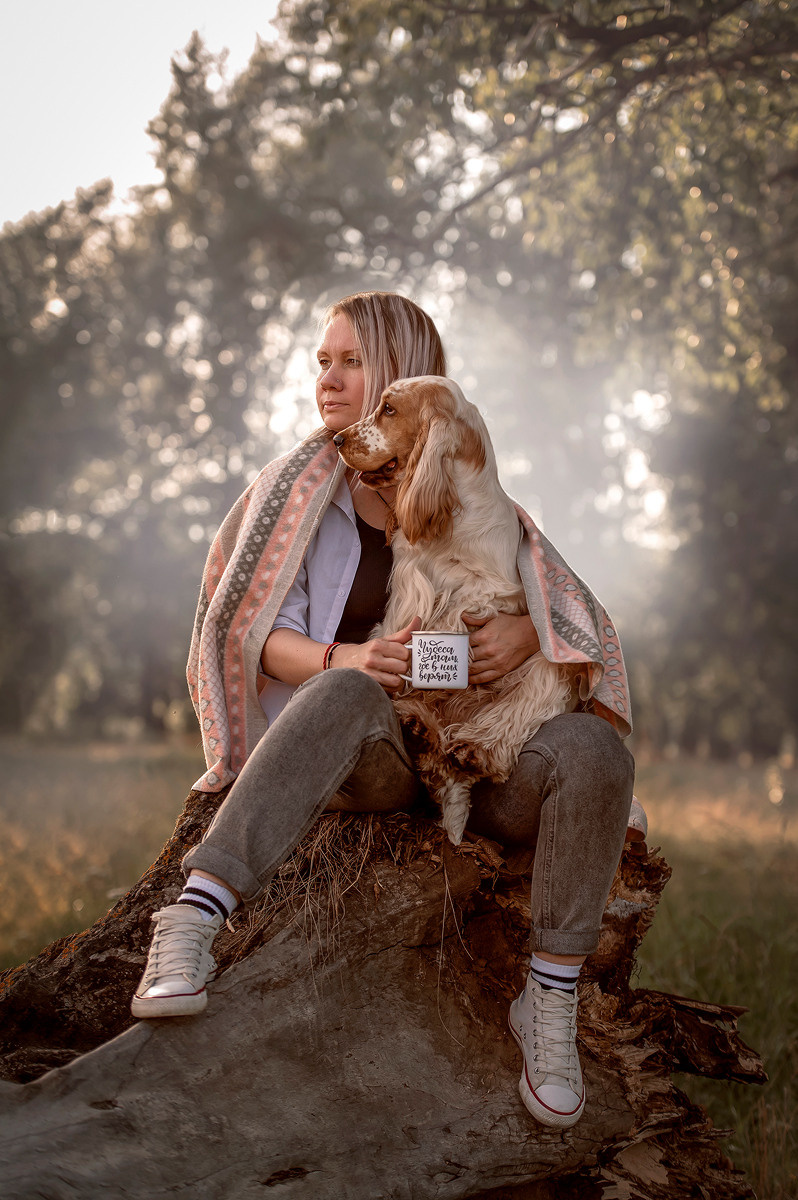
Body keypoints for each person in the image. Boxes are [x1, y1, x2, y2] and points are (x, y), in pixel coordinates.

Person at [131, 290, 636, 1131]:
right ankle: (192, 917)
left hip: (485, 753)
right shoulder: (297, 494)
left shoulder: (482, 504)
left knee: (592, 750)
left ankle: (548, 1000)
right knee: (344, 688)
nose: (328, 381)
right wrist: (350, 657)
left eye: (351, 363)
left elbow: (579, 626)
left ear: (404, 379)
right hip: (368, 750)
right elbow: (250, 632)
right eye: (322, 361)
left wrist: (529, 633)